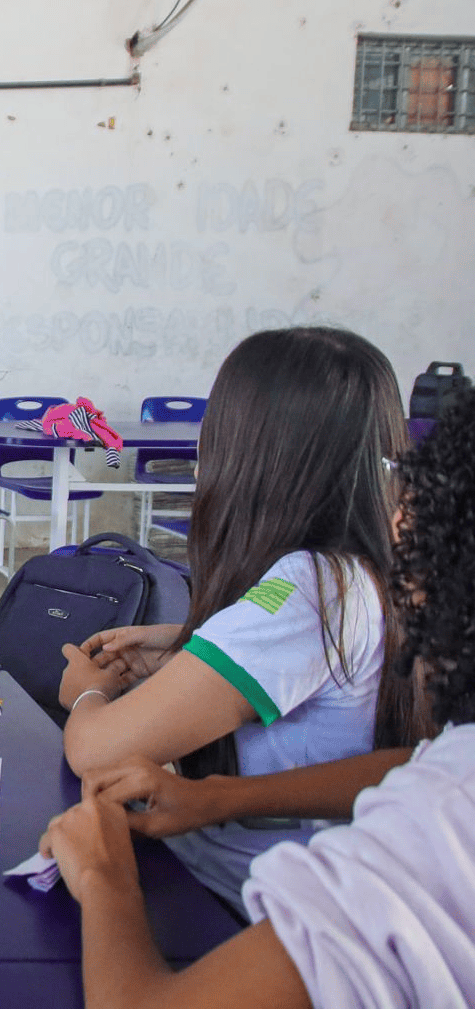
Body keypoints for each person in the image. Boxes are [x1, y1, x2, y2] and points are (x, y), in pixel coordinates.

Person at [39, 388, 475, 1009]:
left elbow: (97, 751)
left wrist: (103, 872)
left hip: (224, 905)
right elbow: (423, 761)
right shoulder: (362, 576)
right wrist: (220, 793)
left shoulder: (314, 583)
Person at [56, 326, 424, 912]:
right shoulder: (373, 568)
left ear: (251, 453)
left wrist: (87, 694)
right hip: (288, 886)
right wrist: (186, 647)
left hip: (243, 902)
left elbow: (98, 752)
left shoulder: (313, 589)